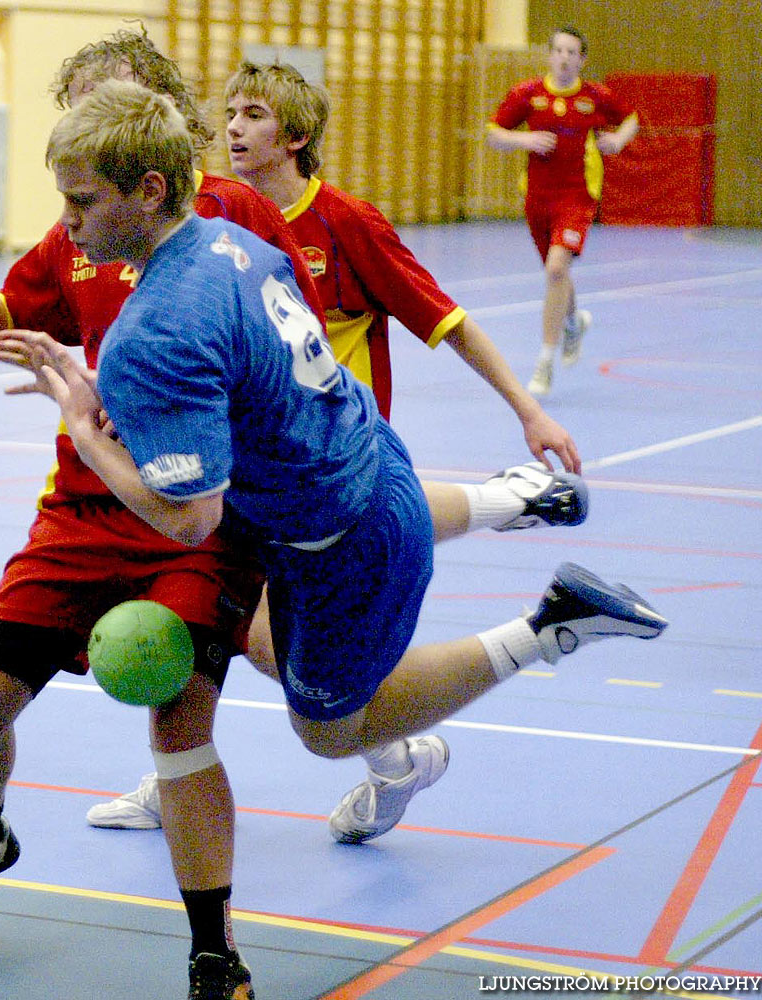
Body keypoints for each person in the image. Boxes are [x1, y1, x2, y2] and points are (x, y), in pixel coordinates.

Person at [0, 32, 604, 999]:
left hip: (227, 514)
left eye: (103, 121)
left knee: (247, 713)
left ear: (153, 149)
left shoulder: (231, 231)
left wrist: (108, 417)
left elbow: (242, 413)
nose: (73, 192)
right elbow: (29, 331)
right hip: (140, 507)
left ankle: (215, 944)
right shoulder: (94, 243)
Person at [88, 60, 583, 842]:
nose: (236, 128)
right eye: (230, 112)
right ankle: (514, 504)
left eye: (254, 113)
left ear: (296, 134)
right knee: (255, 640)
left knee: (300, 684)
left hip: (330, 472)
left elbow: (445, 321)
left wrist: (528, 407)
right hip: (282, 474)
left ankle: (375, 739)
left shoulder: (314, 223)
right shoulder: (206, 228)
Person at [486, 26, 639, 396]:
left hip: (577, 195)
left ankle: (544, 361)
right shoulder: (529, 94)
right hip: (537, 199)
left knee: (557, 268)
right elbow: (493, 132)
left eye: (572, 52)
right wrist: (523, 139)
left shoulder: (594, 97)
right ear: (550, 55)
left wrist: (617, 140)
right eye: (559, 51)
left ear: (582, 59)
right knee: (557, 273)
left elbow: (631, 118)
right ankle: (572, 322)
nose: (565, 58)